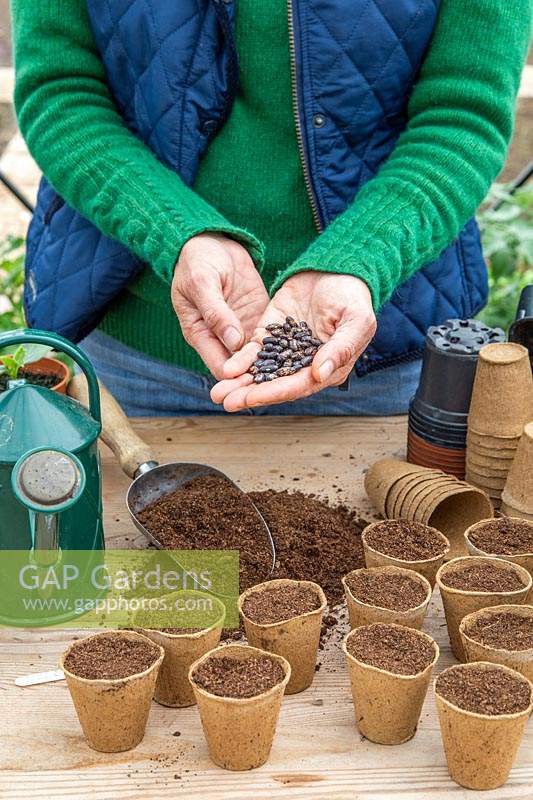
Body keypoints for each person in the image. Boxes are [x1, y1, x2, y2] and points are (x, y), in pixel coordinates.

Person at [12, 0, 531, 416]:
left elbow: (462, 117)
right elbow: (61, 91)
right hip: (136, 358)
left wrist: (358, 260)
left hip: (375, 358)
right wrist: (179, 235)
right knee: (129, 552)